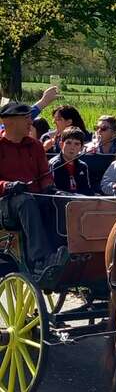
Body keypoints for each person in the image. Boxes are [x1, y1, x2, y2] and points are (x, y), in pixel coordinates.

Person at [0, 102, 69, 273]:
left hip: (35, 197)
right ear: (9, 122)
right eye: (26, 118)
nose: (31, 122)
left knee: (64, 200)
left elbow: (45, 174)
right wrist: (8, 186)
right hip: (6, 204)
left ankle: (67, 252)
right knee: (26, 201)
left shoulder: (35, 145)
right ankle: (40, 259)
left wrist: (49, 187)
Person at [49, 127, 93, 195]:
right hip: (59, 202)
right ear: (61, 144)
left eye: (77, 144)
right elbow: (51, 190)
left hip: (81, 202)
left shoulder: (83, 166)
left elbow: (87, 189)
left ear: (81, 148)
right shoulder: (54, 164)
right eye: (68, 143)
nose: (72, 147)